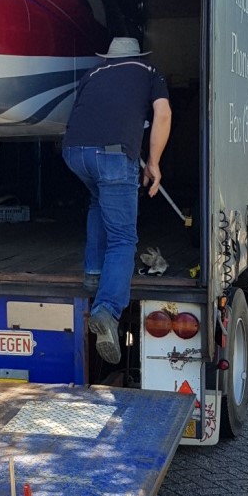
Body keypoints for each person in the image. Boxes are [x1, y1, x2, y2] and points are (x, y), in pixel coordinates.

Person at [62, 34, 172, 364]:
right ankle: (107, 310)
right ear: (139, 54)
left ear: (107, 57)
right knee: (124, 238)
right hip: (112, 155)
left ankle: (93, 273)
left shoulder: (92, 75)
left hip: (73, 153)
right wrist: (153, 163)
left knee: (98, 201)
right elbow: (163, 115)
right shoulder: (149, 71)